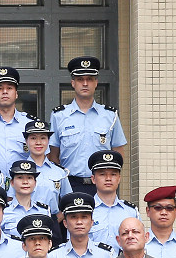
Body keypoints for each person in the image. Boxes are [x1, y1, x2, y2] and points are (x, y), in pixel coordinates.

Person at [49, 56, 127, 195]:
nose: (85, 83)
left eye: (89, 79)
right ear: (73, 83)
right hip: (69, 184)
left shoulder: (110, 116)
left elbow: (118, 152)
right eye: (80, 79)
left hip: (102, 186)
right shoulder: (59, 116)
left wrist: (110, 179)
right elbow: (53, 155)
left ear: (96, 82)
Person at [86, 150, 138, 245]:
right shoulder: (85, 210)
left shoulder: (131, 211)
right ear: (93, 179)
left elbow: (138, 243)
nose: (108, 179)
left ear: (119, 178)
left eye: (113, 174)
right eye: (102, 174)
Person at [21, 120, 72, 215]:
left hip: (52, 220)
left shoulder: (59, 172)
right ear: (26, 141)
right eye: (33, 138)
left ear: (48, 141)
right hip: (25, 219)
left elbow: (69, 202)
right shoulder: (18, 171)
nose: (38, 142)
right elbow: (11, 200)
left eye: (43, 138)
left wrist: (56, 220)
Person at [2, 160, 51, 239]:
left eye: (29, 178)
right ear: (12, 182)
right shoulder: (3, 211)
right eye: (20, 177)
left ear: (35, 182)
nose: (25, 182)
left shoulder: (44, 211)